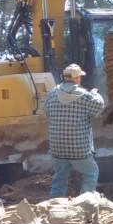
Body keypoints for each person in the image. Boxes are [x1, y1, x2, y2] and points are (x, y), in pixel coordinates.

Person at [43, 63, 105, 198]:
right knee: (90, 172)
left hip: (57, 147)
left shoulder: (53, 93)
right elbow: (99, 107)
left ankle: (55, 205)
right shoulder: (84, 95)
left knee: (59, 177)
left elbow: (46, 111)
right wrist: (95, 94)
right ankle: (85, 203)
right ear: (76, 79)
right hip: (79, 148)